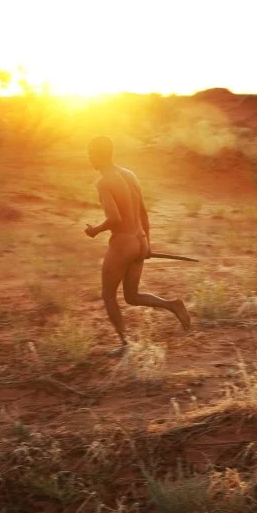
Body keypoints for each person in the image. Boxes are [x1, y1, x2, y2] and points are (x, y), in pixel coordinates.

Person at [84, 136, 190, 352]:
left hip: (123, 243)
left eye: (90, 154)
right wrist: (147, 244)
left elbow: (115, 219)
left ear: (97, 155)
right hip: (139, 239)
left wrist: (94, 230)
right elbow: (142, 212)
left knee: (108, 295)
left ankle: (125, 344)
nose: (89, 158)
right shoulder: (130, 175)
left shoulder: (104, 182)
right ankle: (173, 305)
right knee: (131, 296)